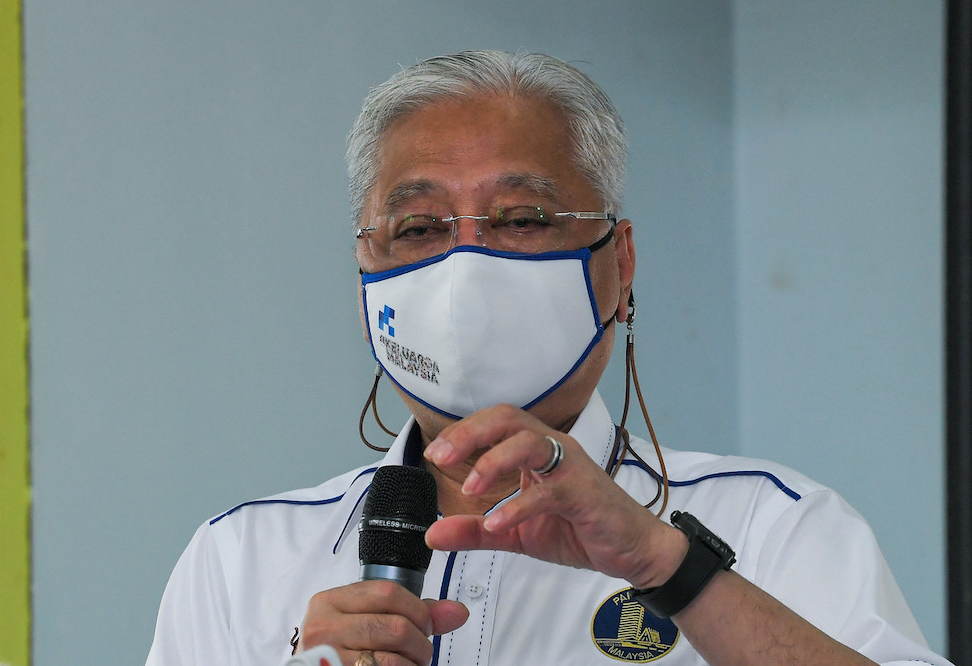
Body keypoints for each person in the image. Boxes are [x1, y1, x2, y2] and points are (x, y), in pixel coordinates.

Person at [146, 51, 952, 666]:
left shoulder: (774, 527)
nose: (465, 271)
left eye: (523, 218)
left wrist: (671, 568)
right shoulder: (242, 558)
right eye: (419, 228)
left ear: (619, 265)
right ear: (366, 276)